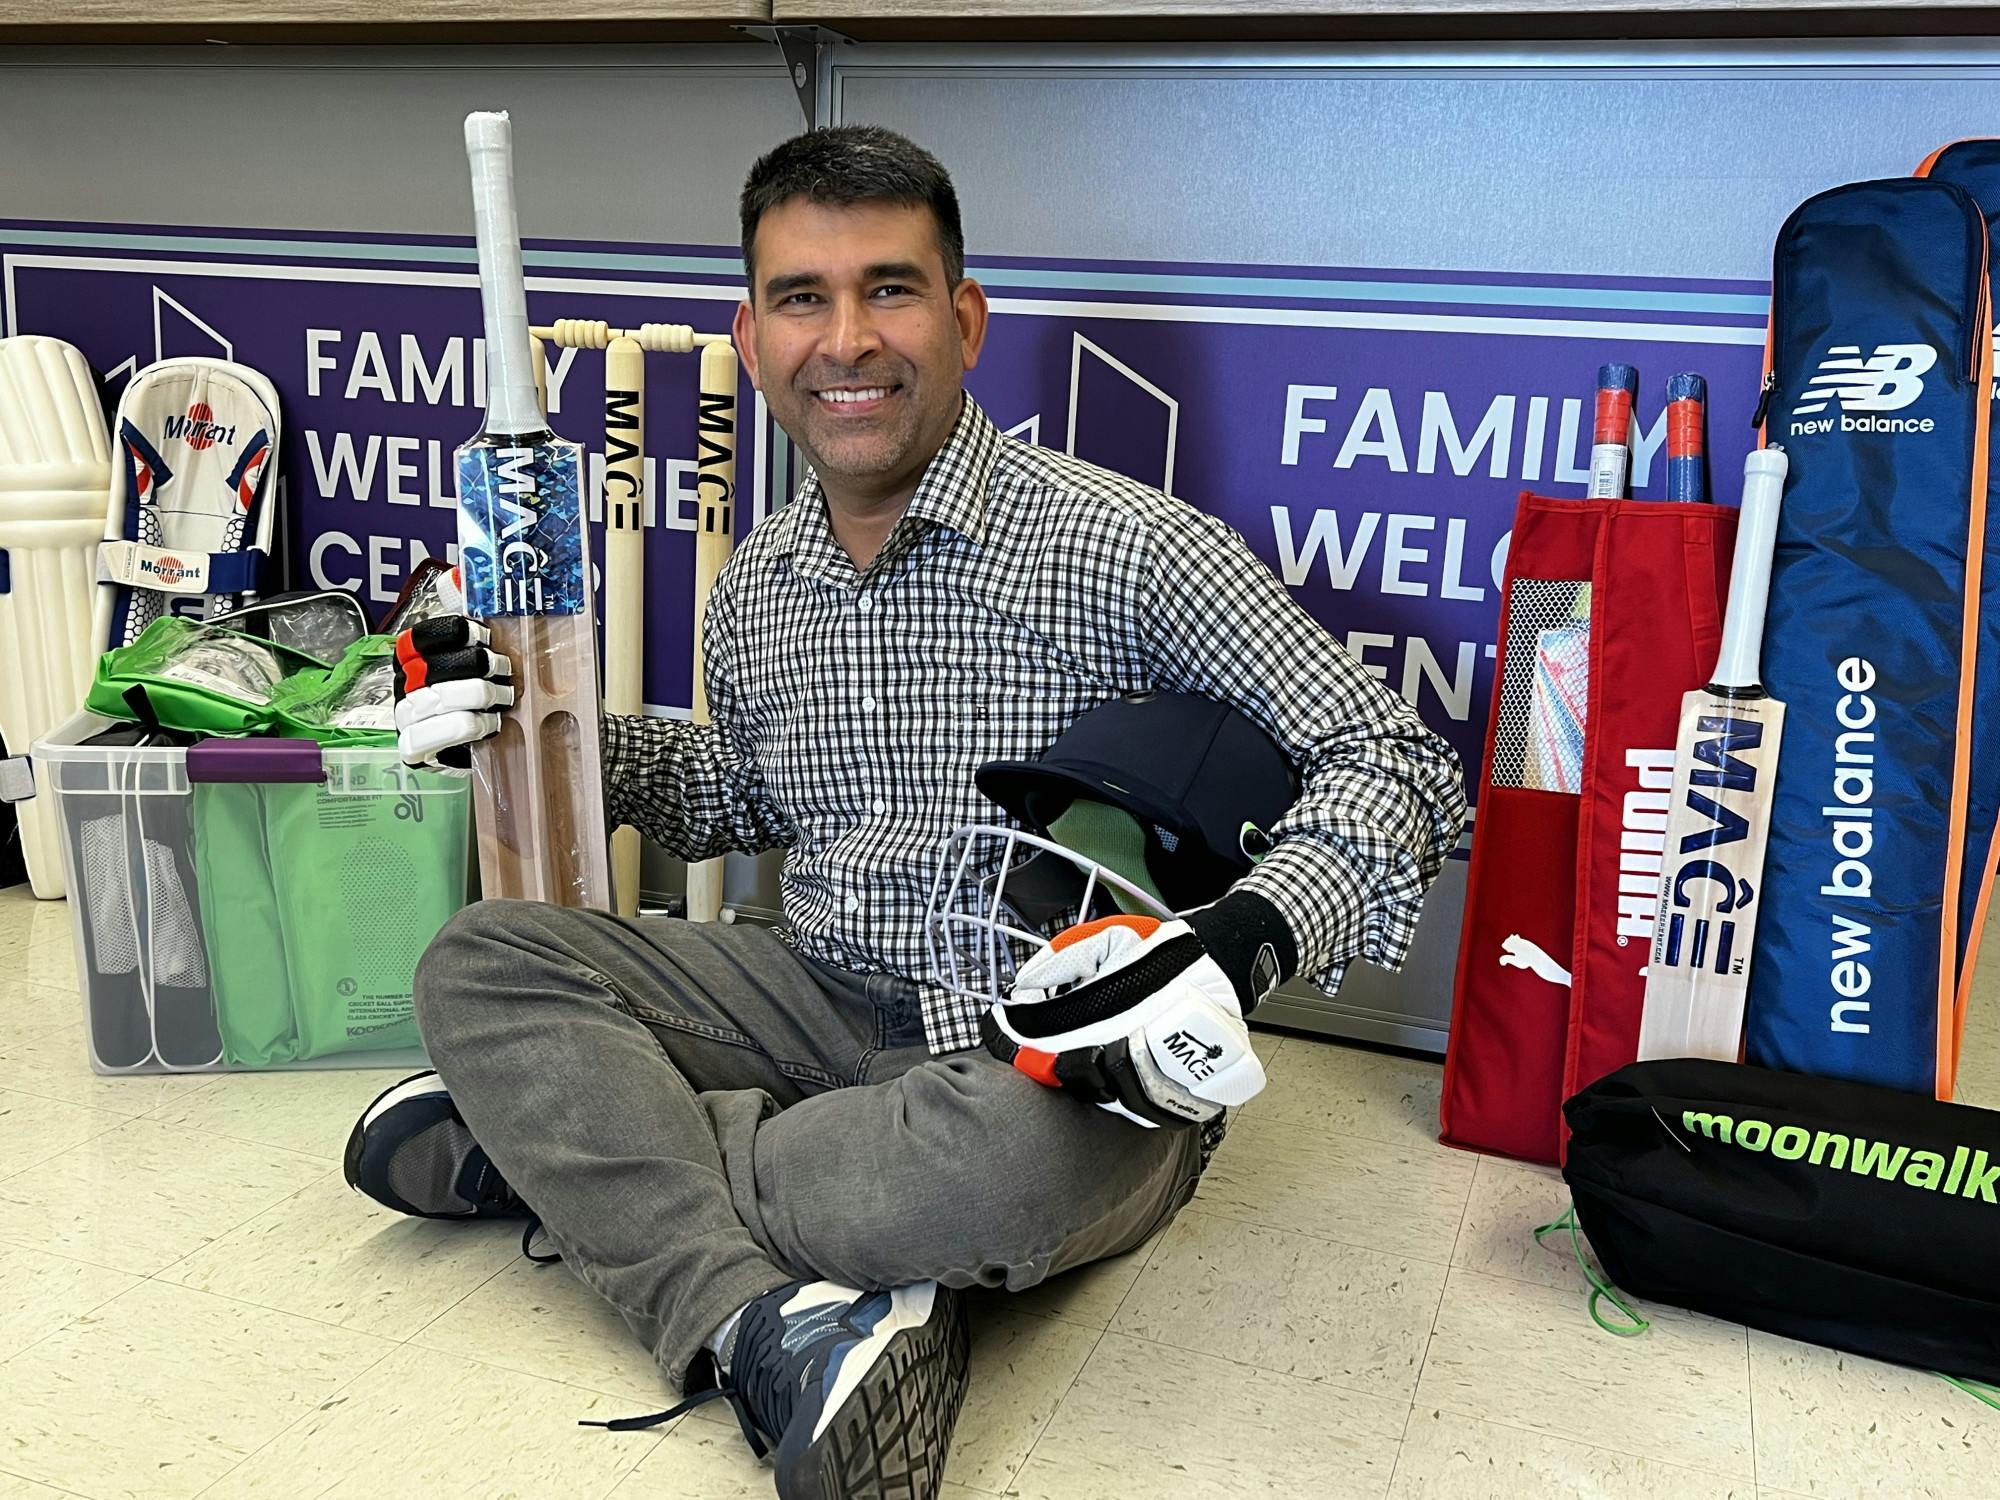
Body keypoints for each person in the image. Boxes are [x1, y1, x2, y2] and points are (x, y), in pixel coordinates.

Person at [348, 124, 1466, 1500]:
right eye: (801, 298)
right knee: (482, 962)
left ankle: (580, 1161)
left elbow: (1393, 756)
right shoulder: (760, 583)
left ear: (966, 319)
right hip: (811, 992)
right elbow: (736, 790)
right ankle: (761, 1319)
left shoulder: (1128, 546)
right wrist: (522, 728)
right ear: (752, 339)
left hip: (1046, 1060)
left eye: (890, 288)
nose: (848, 340)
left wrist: (1243, 940)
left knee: (993, 1177)